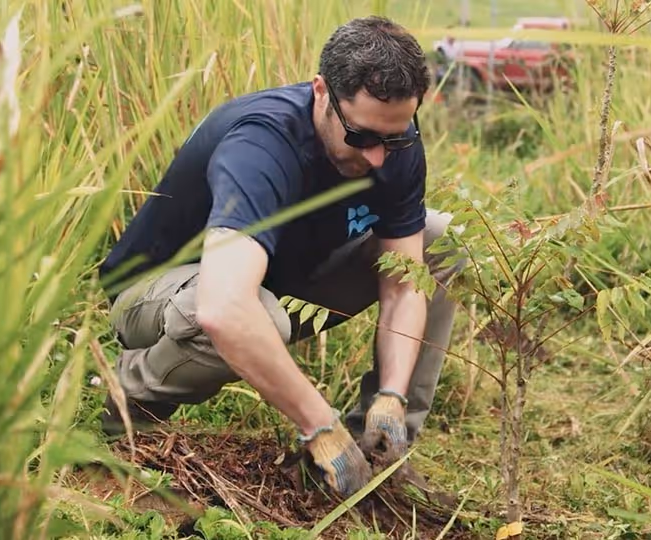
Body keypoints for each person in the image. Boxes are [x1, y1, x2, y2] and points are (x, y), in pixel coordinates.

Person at [96, 15, 464, 499]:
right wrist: (319, 425)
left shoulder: (395, 142)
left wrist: (393, 393)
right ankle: (121, 411)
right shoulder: (261, 143)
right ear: (321, 92)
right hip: (154, 296)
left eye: (394, 138)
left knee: (440, 238)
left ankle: (379, 451)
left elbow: (405, 280)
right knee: (251, 315)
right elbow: (224, 308)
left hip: (282, 284)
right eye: (363, 138)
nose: (379, 158)